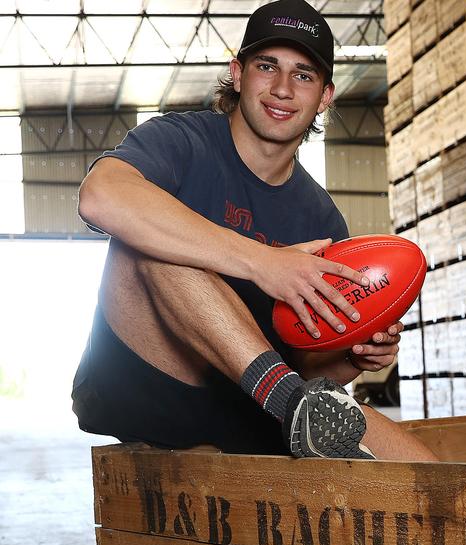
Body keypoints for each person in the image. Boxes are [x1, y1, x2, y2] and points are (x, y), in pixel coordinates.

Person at [71, 0, 438, 462]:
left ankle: (292, 407)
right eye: (268, 67)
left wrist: (353, 356)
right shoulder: (181, 140)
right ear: (239, 73)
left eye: (303, 75)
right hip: (143, 385)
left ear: (325, 96)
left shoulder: (321, 219)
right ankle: (291, 406)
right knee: (157, 240)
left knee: (428, 472)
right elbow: (100, 197)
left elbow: (308, 363)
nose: (283, 88)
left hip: (249, 403)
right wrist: (264, 262)